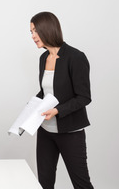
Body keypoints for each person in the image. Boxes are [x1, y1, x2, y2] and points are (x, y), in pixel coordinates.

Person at [30, 12, 94, 189]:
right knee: (44, 183)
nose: (33, 36)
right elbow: (46, 92)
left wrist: (57, 111)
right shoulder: (43, 58)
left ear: (47, 29)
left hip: (70, 133)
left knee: (81, 184)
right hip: (45, 132)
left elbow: (84, 97)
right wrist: (31, 107)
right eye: (31, 32)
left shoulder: (76, 57)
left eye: (35, 31)